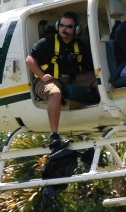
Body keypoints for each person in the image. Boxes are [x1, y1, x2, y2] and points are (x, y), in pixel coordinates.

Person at [26, 11, 97, 151]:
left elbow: (89, 67)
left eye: (69, 26)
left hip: (73, 79)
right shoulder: (47, 41)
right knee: (55, 93)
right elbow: (30, 60)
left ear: (76, 29)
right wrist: (41, 75)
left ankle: (103, 115)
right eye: (62, 25)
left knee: (99, 83)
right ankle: (54, 135)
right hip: (48, 79)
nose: (64, 29)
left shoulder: (80, 46)